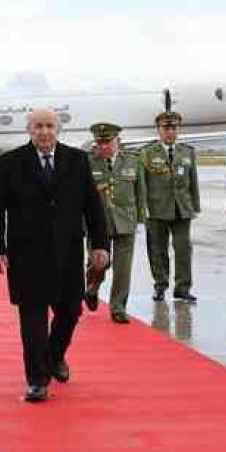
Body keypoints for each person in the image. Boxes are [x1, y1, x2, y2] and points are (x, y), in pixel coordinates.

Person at [0, 108, 108, 402]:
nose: (44, 132)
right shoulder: (10, 163)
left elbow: (93, 207)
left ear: (58, 130)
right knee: (33, 321)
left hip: (67, 251)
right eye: (38, 126)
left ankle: (54, 356)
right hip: (26, 254)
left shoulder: (77, 161)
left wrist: (100, 245)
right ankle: (37, 380)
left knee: (71, 311)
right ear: (29, 130)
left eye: (49, 126)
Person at [86, 122, 146, 323]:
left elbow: (140, 191)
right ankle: (92, 288)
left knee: (123, 269)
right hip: (97, 225)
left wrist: (140, 218)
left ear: (118, 141)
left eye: (108, 142)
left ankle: (118, 307)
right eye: (99, 142)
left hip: (125, 221)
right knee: (99, 264)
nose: (103, 146)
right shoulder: (87, 163)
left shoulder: (132, 160)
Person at [140, 111, 200, 303]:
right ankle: (160, 285)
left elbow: (193, 181)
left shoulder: (187, 152)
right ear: (158, 130)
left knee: (183, 249)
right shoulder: (147, 153)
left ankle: (182, 287)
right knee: (158, 250)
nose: (170, 132)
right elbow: (142, 184)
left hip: (182, 209)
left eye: (174, 128)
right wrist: (143, 209)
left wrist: (194, 206)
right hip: (156, 209)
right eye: (166, 128)